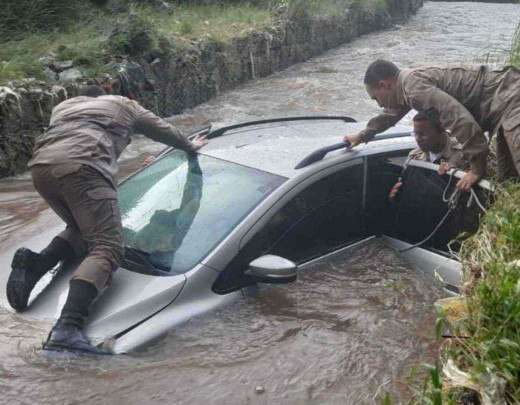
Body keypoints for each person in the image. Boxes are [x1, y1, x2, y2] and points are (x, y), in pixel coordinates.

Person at [6, 85, 207, 354]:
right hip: (83, 168)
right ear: (107, 93)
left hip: (41, 169)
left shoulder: (64, 107)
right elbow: (160, 128)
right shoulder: (125, 104)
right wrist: (189, 145)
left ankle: (36, 265)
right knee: (108, 246)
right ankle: (67, 329)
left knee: (80, 228)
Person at [346, 60, 520, 189]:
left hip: (512, 96)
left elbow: (461, 121)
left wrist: (476, 169)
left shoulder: (413, 89)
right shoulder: (406, 87)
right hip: (502, 107)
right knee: (509, 182)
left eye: (376, 97)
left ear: (384, 85)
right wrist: (362, 136)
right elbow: (390, 116)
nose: (379, 104)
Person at [389, 110, 469, 200]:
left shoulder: (465, 154)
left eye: (422, 134)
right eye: (415, 134)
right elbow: (407, 188)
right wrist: (397, 196)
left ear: (441, 132)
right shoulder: (414, 156)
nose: (418, 139)